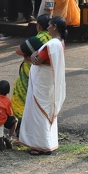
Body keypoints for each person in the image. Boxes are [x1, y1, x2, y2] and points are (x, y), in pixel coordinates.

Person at [17, 16, 67, 155]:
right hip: (47, 82)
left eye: (50, 25)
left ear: (55, 27)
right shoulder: (59, 42)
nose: (48, 28)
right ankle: (46, 143)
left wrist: (33, 55)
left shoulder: (53, 44)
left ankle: (38, 145)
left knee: (38, 112)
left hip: (43, 83)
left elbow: (38, 61)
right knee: (45, 111)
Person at [10, 14, 52, 139]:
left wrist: (27, 57)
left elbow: (19, 50)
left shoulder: (37, 39)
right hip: (46, 77)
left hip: (31, 74)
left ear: (39, 26)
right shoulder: (54, 40)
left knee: (22, 101)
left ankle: (24, 133)